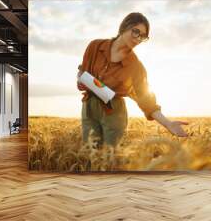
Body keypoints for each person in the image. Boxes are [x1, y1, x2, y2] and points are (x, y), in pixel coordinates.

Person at [77, 12, 188, 147]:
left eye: (143, 37)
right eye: (136, 32)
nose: (138, 39)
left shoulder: (136, 67)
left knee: (109, 157)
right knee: (89, 154)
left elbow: (147, 101)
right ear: (124, 27)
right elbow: (82, 70)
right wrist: (79, 79)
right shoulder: (95, 46)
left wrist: (168, 123)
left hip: (113, 112)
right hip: (89, 106)